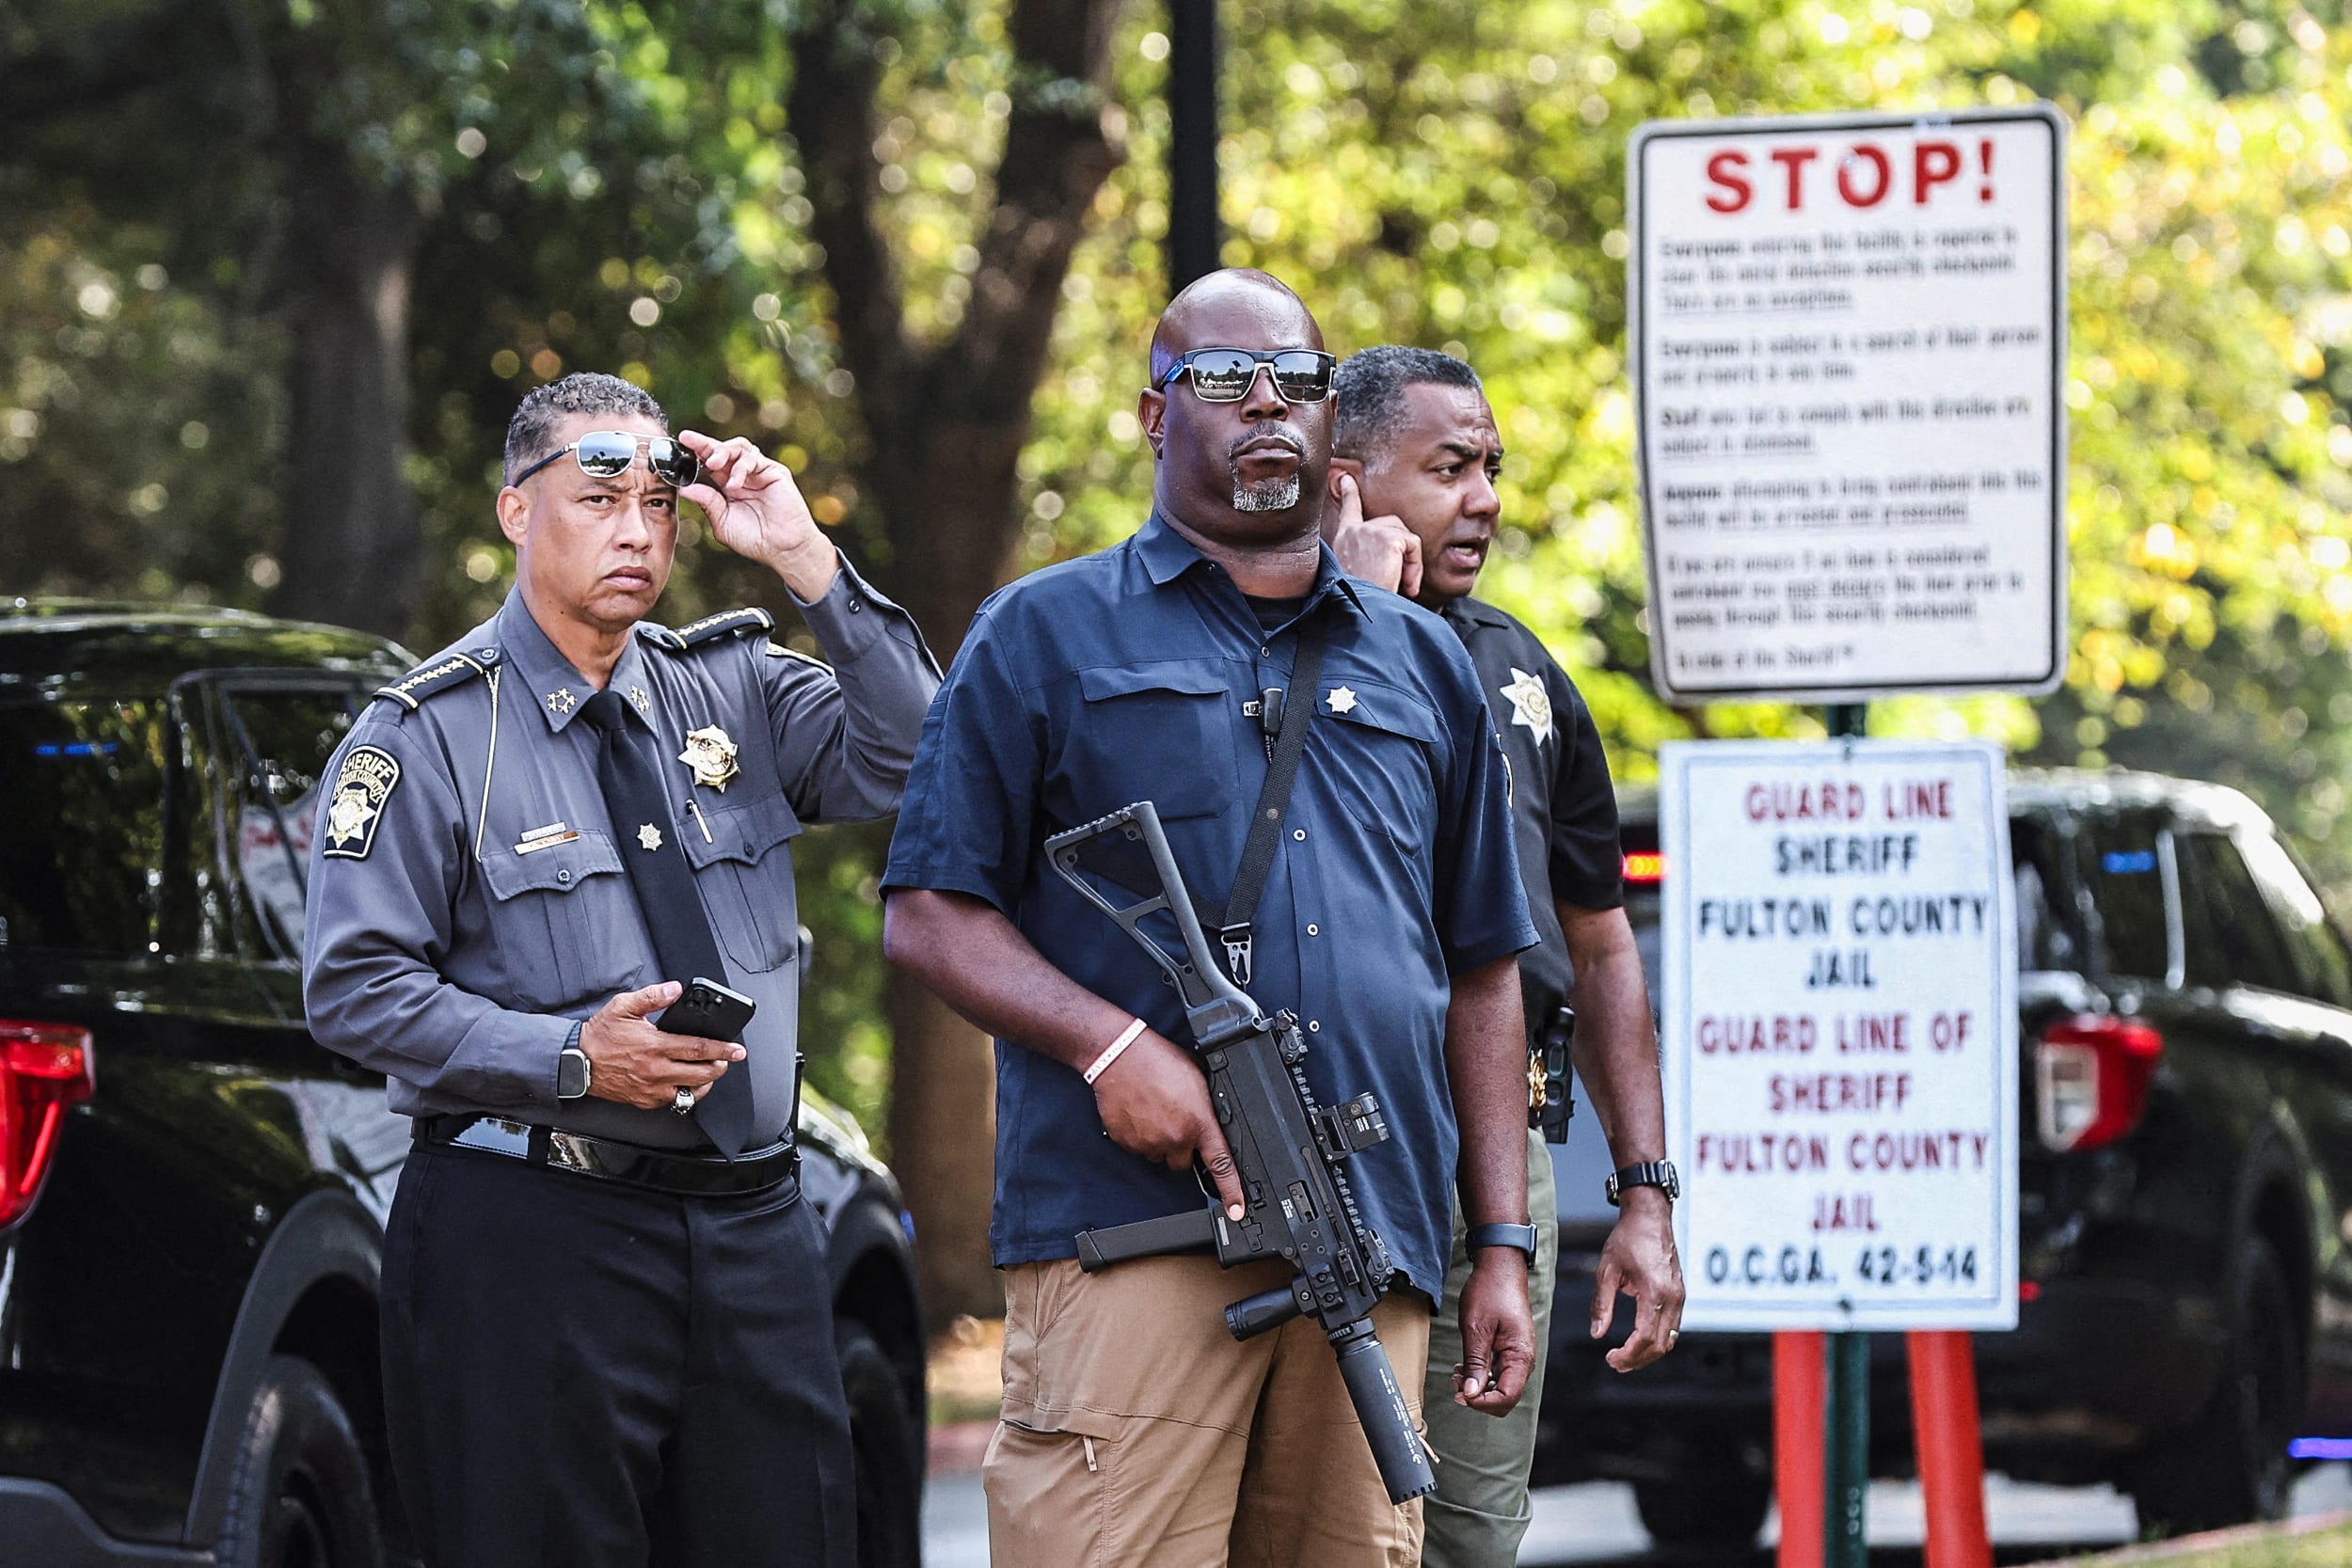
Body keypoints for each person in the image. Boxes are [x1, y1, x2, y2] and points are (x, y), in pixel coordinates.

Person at [879, 269, 1539, 1568]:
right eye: (1222, 381)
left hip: (1374, 1244)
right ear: (1151, 413)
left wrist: (1500, 1241)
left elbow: (1482, 972)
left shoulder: (1422, 664)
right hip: (1133, 1244)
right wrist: (1111, 1048)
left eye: (1294, 382)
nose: (1265, 410)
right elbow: (931, 914)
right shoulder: (1044, 632)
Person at [301, 372, 939, 1568]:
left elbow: (920, 754)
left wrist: (805, 558)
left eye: (660, 501)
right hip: (532, 1233)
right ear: (514, 511)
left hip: (753, 1229)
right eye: (600, 497)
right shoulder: (428, 736)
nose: (639, 529)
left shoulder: (735, 688)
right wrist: (570, 1053)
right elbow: (354, 986)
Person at [1323, 345, 1686, 1566]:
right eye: (1449, 467)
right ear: (1345, 478)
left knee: (1470, 1533)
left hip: (1500, 1158)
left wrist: (1644, 1189)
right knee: (1321, 1524)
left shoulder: (1526, 674)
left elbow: (1599, 942)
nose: (1483, 495)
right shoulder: (1268, 644)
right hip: (1323, 1144)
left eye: (1490, 467)